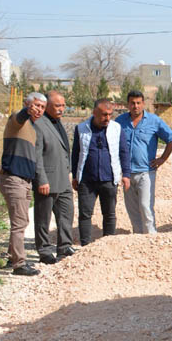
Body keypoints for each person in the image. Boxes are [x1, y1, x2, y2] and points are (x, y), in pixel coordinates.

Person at [71, 98, 131, 245]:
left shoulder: (116, 129)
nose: (107, 118)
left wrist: (126, 175)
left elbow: (124, 152)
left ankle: (107, 245)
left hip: (109, 179)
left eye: (110, 114)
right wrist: (74, 175)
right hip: (87, 180)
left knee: (109, 214)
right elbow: (76, 153)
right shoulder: (81, 128)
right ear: (94, 112)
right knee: (85, 214)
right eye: (104, 114)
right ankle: (85, 246)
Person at [0, 92, 46, 275]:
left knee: (22, 220)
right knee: (19, 223)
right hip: (13, 178)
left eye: (42, 107)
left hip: (24, 180)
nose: (38, 110)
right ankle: (19, 264)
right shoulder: (16, 121)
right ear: (27, 104)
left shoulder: (33, 129)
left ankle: (13, 257)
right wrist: (26, 111)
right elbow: (20, 117)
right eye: (35, 105)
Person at [115, 91, 172, 234]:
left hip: (146, 172)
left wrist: (162, 159)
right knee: (132, 209)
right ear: (127, 104)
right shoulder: (119, 122)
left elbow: (171, 140)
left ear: (143, 104)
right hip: (127, 173)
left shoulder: (154, 121)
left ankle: (150, 238)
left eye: (138, 103)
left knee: (146, 206)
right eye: (132, 103)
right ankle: (137, 237)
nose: (135, 106)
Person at [33, 90, 75, 264]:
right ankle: (44, 250)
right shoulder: (38, 124)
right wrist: (41, 179)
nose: (61, 109)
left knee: (66, 213)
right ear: (47, 106)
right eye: (57, 105)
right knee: (43, 217)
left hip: (63, 178)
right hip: (47, 180)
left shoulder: (58, 122)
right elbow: (36, 155)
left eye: (63, 105)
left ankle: (64, 247)